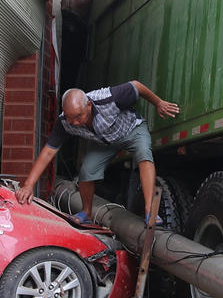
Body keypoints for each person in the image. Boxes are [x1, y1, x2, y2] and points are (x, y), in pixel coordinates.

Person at [15, 80, 179, 222]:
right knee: (87, 171)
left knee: (144, 155)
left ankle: (150, 211)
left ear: (88, 104)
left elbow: (136, 86)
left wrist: (158, 103)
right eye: (71, 118)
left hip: (132, 129)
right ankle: (86, 212)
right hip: (104, 142)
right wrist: (29, 185)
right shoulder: (65, 122)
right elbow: (48, 152)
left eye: (79, 116)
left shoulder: (109, 97)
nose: (75, 122)